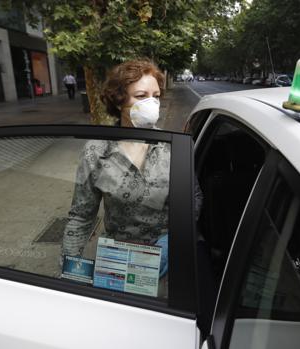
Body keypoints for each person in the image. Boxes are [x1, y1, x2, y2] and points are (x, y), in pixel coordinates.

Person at [61, 59, 202, 289]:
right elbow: (80, 216)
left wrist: (173, 239)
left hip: (166, 261)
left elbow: (194, 198)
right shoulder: (97, 150)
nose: (151, 104)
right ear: (118, 101)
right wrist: (69, 272)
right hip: (117, 261)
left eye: (155, 96)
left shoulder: (172, 147)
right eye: (140, 96)